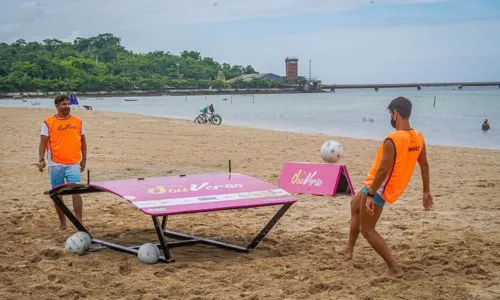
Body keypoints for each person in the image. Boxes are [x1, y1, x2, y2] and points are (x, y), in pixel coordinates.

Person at [337, 96, 433, 278]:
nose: (390, 117)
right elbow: (425, 165)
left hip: (379, 188)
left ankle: (394, 268)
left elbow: (383, 170)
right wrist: (426, 191)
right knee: (355, 205)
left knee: (368, 229)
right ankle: (348, 249)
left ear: (396, 113)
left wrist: (372, 195)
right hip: (379, 185)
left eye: (390, 113)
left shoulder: (392, 139)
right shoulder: (418, 138)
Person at [38, 94, 87, 230]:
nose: (67, 107)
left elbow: (83, 141)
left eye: (68, 104)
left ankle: (79, 222)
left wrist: (84, 159)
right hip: (55, 164)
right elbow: (43, 142)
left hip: (73, 163)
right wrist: (41, 159)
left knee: (76, 191)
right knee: (58, 194)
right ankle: (63, 222)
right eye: (64, 104)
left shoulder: (77, 121)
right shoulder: (48, 122)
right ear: (57, 106)